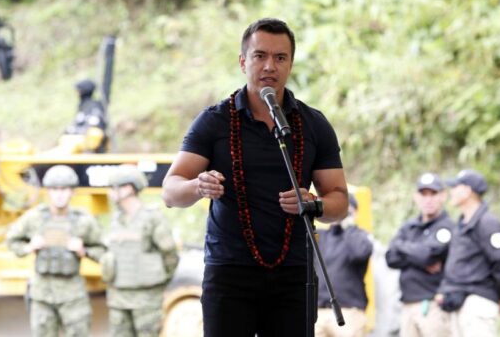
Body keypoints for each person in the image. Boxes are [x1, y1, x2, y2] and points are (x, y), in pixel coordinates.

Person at [161, 17, 349, 336]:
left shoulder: (313, 124)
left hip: (294, 274)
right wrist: (197, 186)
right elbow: (170, 190)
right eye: (259, 56)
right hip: (230, 273)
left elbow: (339, 201)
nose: (269, 66)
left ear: (290, 64)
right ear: (242, 61)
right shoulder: (214, 122)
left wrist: (314, 204)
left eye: (280, 57)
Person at [6, 165, 105, 337]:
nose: (59, 194)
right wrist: (29, 247)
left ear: (73, 192)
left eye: (64, 189)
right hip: (43, 295)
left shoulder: (84, 221)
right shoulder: (34, 217)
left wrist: (84, 251)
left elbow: (104, 251)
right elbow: (12, 240)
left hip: (73, 294)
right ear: (48, 192)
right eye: (54, 189)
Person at [101, 165, 179, 337]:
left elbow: (170, 255)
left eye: (114, 187)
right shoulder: (116, 220)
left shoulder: (152, 218)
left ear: (128, 188)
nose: (111, 192)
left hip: (146, 299)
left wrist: (157, 283)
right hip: (118, 298)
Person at [436, 169, 500, 337]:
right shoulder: (462, 224)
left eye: (455, 187)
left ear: (467, 191)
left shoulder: (488, 223)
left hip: (477, 303)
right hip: (460, 303)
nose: (451, 192)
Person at [386, 173, 455, 337]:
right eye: (423, 194)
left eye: (433, 194)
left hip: (433, 305)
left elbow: (427, 256)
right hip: (407, 305)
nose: (428, 199)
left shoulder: (446, 227)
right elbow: (390, 257)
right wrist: (418, 256)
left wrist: (403, 248)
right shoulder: (409, 226)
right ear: (416, 197)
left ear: (443, 196)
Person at [315, 193, 373, 337]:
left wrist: (349, 225)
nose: (338, 213)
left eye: (343, 210)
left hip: (348, 312)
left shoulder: (360, 236)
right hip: (318, 312)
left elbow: (360, 253)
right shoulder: (321, 236)